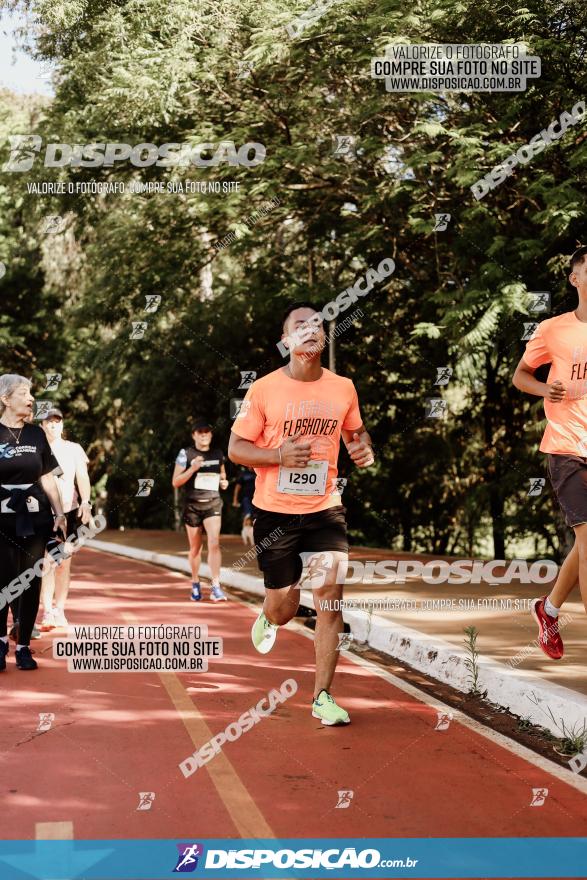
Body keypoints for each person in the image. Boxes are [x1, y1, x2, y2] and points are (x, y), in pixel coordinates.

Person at [228, 301, 374, 725]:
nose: (310, 330)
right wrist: (277, 455)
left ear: (324, 337)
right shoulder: (264, 389)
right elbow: (237, 448)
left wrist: (363, 448)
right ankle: (269, 613)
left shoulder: (343, 387)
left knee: (330, 598)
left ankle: (322, 696)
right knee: (284, 609)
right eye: (300, 326)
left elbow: (355, 433)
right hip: (274, 514)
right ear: (286, 340)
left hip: (325, 508)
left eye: (317, 325)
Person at [513, 245, 587, 660]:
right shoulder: (553, 329)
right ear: (574, 278)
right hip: (566, 446)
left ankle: (549, 609)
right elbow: (520, 375)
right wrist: (546, 388)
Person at [0, 375, 66, 671]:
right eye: (24, 394)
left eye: (31, 394)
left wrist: (60, 512)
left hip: (35, 515)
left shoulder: (36, 435)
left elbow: (47, 476)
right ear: (5, 399)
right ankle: (0, 642)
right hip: (1, 517)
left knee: (30, 579)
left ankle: (24, 646)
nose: (31, 399)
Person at [38, 408, 92, 630]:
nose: (52, 425)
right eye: (48, 422)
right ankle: (47, 612)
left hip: (70, 511)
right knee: (47, 563)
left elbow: (83, 477)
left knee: (63, 564)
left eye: (56, 421)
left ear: (62, 425)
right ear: (42, 426)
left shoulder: (74, 449)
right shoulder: (37, 449)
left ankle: (60, 610)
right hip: (44, 512)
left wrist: (87, 503)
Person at [172, 418, 229, 602]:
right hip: (193, 505)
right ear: (194, 435)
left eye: (207, 431)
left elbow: (222, 475)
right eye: (200, 432)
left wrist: (224, 482)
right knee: (196, 548)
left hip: (213, 503)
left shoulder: (218, 454)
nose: (204, 435)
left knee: (214, 542)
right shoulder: (186, 454)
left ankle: (215, 586)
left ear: (211, 435)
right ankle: (195, 583)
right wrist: (192, 468)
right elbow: (175, 482)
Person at [233, 466, 256, 544]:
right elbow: (237, 487)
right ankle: (245, 537)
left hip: (257, 499)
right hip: (246, 498)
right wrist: (235, 500)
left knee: (255, 517)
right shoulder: (243, 474)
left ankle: (255, 536)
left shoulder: (258, 472)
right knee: (247, 516)